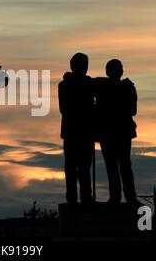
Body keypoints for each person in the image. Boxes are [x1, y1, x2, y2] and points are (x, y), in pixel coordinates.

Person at [95, 59, 140, 206]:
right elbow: (133, 110)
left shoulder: (103, 86)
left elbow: (133, 110)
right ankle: (125, 197)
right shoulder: (126, 87)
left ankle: (121, 197)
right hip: (115, 131)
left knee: (117, 165)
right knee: (121, 165)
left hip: (114, 131)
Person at [58, 53, 94, 204]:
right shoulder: (68, 84)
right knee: (74, 167)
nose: (85, 68)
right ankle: (76, 197)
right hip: (76, 131)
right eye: (83, 65)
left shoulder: (70, 83)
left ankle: (83, 197)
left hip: (80, 131)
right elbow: (64, 108)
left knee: (82, 166)